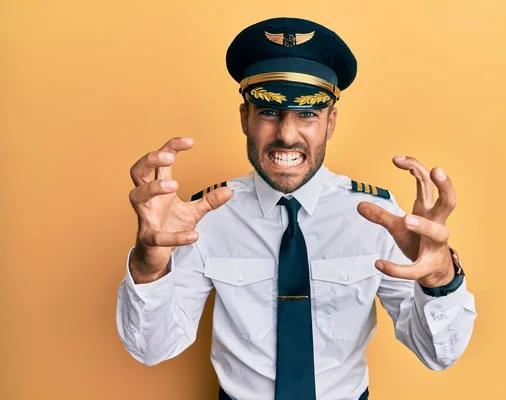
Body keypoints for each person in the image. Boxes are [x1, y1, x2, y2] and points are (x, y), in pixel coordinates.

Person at [117, 16, 477, 400]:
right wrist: (149, 266)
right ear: (245, 118)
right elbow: (152, 349)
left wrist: (440, 280)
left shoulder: (379, 216)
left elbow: (438, 354)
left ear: (330, 122)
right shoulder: (206, 216)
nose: (286, 134)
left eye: (307, 113)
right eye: (269, 111)